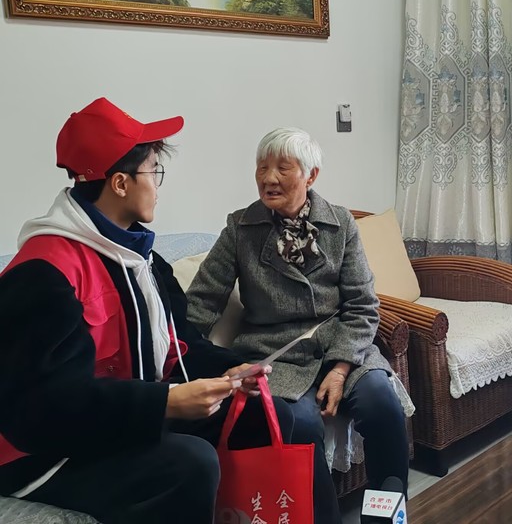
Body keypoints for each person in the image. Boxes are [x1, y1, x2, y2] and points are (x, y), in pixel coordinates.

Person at [0, 98, 294, 523]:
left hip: (121, 418)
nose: (158, 185)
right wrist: (166, 401)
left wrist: (232, 370)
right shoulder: (43, 273)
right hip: (46, 454)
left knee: (267, 414)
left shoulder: (141, 258)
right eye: (154, 171)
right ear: (120, 183)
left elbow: (180, 344)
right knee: (190, 462)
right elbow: (45, 408)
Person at [186, 127, 411, 524]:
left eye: (283, 168)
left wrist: (341, 368)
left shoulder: (341, 224)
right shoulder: (241, 228)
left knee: (383, 404)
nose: (269, 178)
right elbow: (202, 300)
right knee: (301, 427)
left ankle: (386, 517)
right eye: (262, 167)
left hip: (342, 346)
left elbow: (363, 304)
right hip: (276, 355)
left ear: (311, 176)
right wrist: (180, 356)